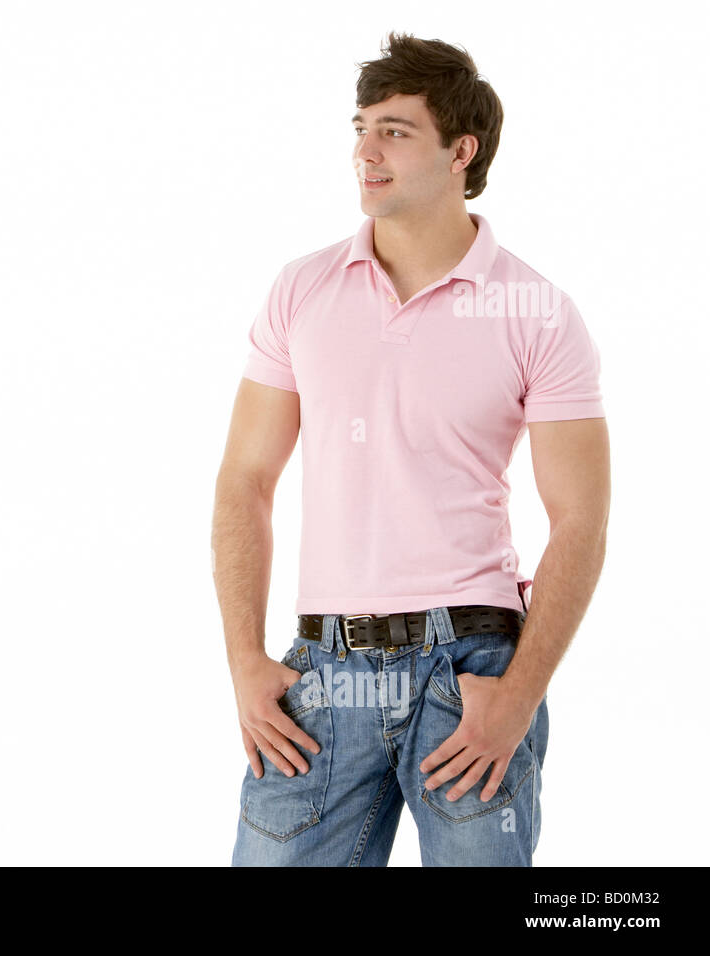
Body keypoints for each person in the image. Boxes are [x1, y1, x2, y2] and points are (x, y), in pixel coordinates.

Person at [211, 32, 610, 866]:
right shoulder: (302, 290)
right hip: (321, 672)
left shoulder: (536, 311)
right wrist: (245, 660)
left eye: (394, 130)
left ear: (461, 150)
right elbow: (246, 479)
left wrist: (520, 694)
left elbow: (580, 520)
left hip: (468, 676)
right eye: (360, 128)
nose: (364, 152)